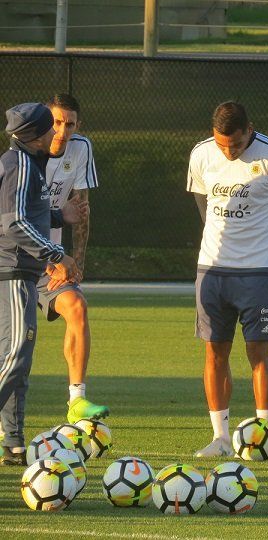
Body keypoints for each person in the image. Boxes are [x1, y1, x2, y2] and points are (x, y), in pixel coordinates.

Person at [187, 101, 268, 458]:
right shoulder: (201, 155)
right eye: (222, 144)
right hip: (213, 269)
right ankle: (220, 438)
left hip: (257, 271)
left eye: (234, 144)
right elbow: (203, 205)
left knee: (258, 351)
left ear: (249, 129)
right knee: (215, 351)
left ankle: (264, 436)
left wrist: (260, 249)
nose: (228, 151)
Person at [0, 94, 106, 466]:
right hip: (14, 268)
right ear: (36, 134)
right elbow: (14, 221)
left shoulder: (31, 161)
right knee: (14, 356)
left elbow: (32, 211)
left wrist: (61, 219)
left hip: (26, 271)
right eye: (51, 125)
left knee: (19, 360)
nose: (58, 132)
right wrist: (56, 253)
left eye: (66, 124)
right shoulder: (22, 164)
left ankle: (13, 442)